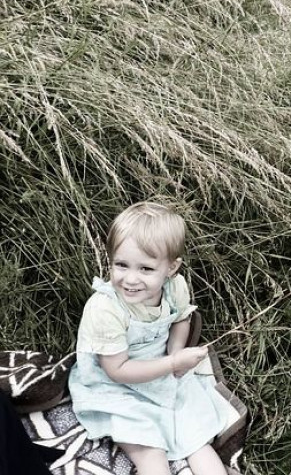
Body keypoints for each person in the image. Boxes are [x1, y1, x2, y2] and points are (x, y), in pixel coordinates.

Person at [68, 202, 230, 475]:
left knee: (196, 440)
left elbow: (182, 318)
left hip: (160, 370)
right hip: (115, 386)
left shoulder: (174, 287)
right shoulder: (105, 308)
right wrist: (172, 363)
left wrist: (175, 353)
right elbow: (116, 370)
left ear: (171, 267)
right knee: (151, 451)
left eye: (145, 269)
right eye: (121, 265)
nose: (131, 279)